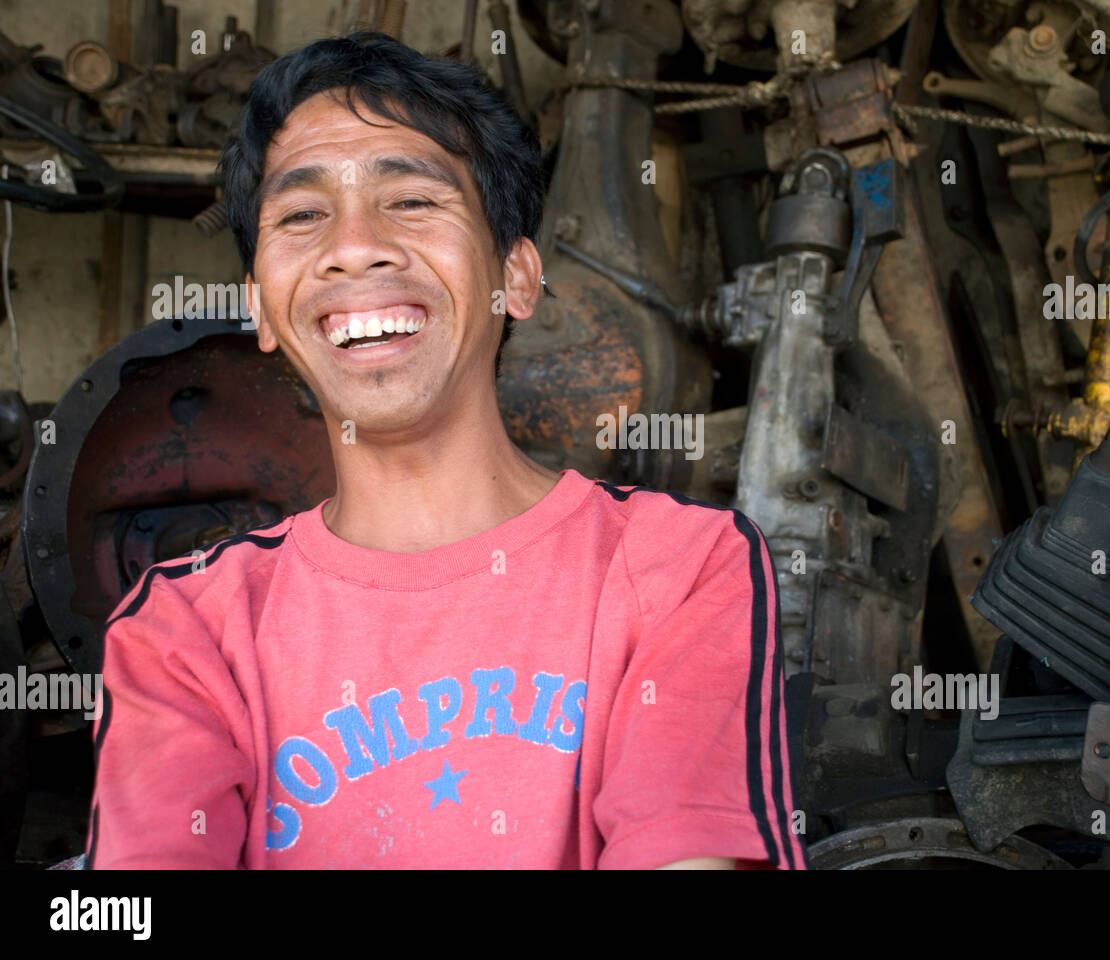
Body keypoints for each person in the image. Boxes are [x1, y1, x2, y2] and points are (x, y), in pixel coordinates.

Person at [84, 32, 804, 870]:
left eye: (415, 202)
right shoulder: (186, 627)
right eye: (303, 215)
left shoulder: (678, 569)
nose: (354, 246)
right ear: (264, 314)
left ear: (518, 277)